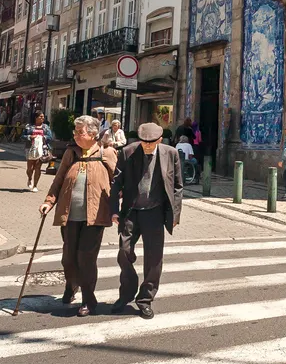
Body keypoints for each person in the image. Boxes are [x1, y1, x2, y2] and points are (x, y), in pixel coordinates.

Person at [41, 115, 118, 316]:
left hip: (95, 216)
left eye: (80, 132)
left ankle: (88, 299)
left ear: (93, 134)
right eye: (75, 132)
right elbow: (59, 179)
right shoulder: (71, 152)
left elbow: (118, 183)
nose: (75, 135)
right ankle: (71, 284)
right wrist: (49, 201)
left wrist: (119, 210)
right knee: (68, 258)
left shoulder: (106, 153)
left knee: (86, 258)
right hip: (70, 214)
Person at [110, 122, 183, 319]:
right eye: (144, 142)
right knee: (124, 252)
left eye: (151, 142)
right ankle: (126, 293)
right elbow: (116, 182)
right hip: (131, 212)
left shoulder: (171, 153)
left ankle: (145, 299)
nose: (147, 145)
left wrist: (175, 214)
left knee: (154, 259)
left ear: (160, 140)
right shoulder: (127, 152)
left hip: (156, 212)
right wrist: (114, 210)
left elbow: (177, 186)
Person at [23, 111, 54, 191]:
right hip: (30, 148)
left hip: (41, 149)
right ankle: (30, 178)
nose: (42, 118)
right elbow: (23, 136)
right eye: (40, 116)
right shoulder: (29, 126)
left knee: (38, 167)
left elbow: (50, 137)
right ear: (35, 118)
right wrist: (30, 137)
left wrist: (44, 137)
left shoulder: (45, 127)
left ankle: (35, 185)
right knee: (30, 167)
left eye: (43, 117)